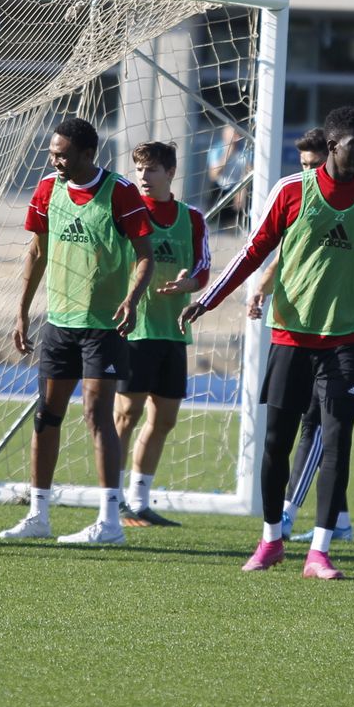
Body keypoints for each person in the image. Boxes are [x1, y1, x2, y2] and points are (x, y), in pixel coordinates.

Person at [181, 106, 354, 579]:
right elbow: (252, 252)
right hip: (291, 337)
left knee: (337, 442)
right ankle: (270, 541)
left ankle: (319, 552)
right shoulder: (291, 191)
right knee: (276, 443)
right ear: (333, 146)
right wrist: (209, 300)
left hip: (345, 343)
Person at [0, 116, 155, 545]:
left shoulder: (120, 192)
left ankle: (109, 522)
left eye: (63, 154)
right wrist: (22, 311)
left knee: (95, 414)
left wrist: (132, 297)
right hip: (59, 325)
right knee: (47, 415)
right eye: (53, 153)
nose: (55, 160)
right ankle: (38, 515)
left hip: (103, 327)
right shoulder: (48, 189)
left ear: (88, 155)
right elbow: (36, 252)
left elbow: (145, 255)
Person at [245, 127, 354, 544]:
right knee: (299, 431)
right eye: (301, 164)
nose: (305, 170)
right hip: (294, 333)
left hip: (336, 335)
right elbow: (287, 255)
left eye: (311, 163)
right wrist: (261, 291)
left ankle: (288, 515)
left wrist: (352, 308)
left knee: (319, 429)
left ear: (331, 153)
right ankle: (336, 519)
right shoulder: (299, 195)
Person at [114, 141, 210, 527]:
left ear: (170, 173)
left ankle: (139, 501)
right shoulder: (126, 212)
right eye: (139, 170)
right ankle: (113, 498)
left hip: (173, 333)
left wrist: (189, 286)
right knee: (126, 415)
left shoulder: (192, 218)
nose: (143, 177)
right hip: (134, 331)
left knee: (165, 418)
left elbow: (203, 268)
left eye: (151, 170)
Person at [205, 124, 251, 228]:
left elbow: (248, 172)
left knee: (238, 217)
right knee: (214, 221)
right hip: (219, 188)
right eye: (233, 133)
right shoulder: (217, 150)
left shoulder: (245, 150)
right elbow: (214, 175)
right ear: (225, 135)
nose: (236, 136)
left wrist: (241, 191)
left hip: (237, 188)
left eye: (237, 133)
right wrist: (229, 151)